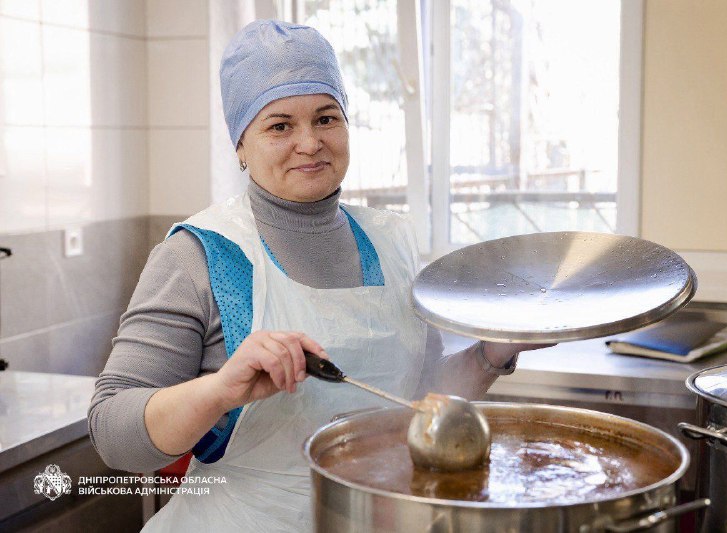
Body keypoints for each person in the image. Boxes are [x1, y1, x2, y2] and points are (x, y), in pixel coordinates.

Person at [89, 19, 549, 532]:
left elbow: (420, 400)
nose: (309, 142)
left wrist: (493, 352)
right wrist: (221, 389)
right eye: (280, 125)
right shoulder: (199, 256)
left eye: (326, 118)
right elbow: (113, 433)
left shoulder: (393, 244)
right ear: (241, 145)